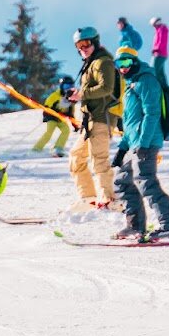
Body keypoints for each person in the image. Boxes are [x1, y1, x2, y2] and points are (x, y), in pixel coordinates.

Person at [110, 51, 169, 242]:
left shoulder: (146, 80)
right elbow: (130, 123)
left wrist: (143, 143)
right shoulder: (131, 85)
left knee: (146, 183)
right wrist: (122, 149)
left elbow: (152, 114)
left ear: (134, 62)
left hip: (147, 144)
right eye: (119, 64)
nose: (123, 66)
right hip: (135, 145)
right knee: (122, 182)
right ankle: (134, 226)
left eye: (126, 62)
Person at [67, 26, 117, 207]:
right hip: (90, 122)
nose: (83, 48)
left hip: (102, 119)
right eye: (79, 45)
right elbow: (90, 92)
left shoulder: (103, 62)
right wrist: (78, 95)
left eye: (86, 43)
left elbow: (107, 88)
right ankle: (89, 198)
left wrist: (82, 94)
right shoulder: (90, 64)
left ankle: (108, 199)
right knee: (76, 156)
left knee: (99, 159)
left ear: (95, 42)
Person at [32, 77, 75, 157]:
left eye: (70, 86)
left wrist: (74, 124)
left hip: (60, 118)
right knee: (49, 132)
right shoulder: (55, 95)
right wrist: (46, 116)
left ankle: (58, 148)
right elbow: (46, 106)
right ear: (62, 86)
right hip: (52, 117)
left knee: (66, 130)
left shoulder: (71, 98)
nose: (68, 89)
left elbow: (71, 112)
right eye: (66, 86)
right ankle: (37, 148)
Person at [149, 17, 169, 82]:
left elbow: (162, 41)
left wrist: (156, 49)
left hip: (160, 53)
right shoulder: (158, 30)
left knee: (154, 70)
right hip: (159, 53)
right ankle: (165, 89)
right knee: (160, 72)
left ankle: (158, 87)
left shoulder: (162, 29)